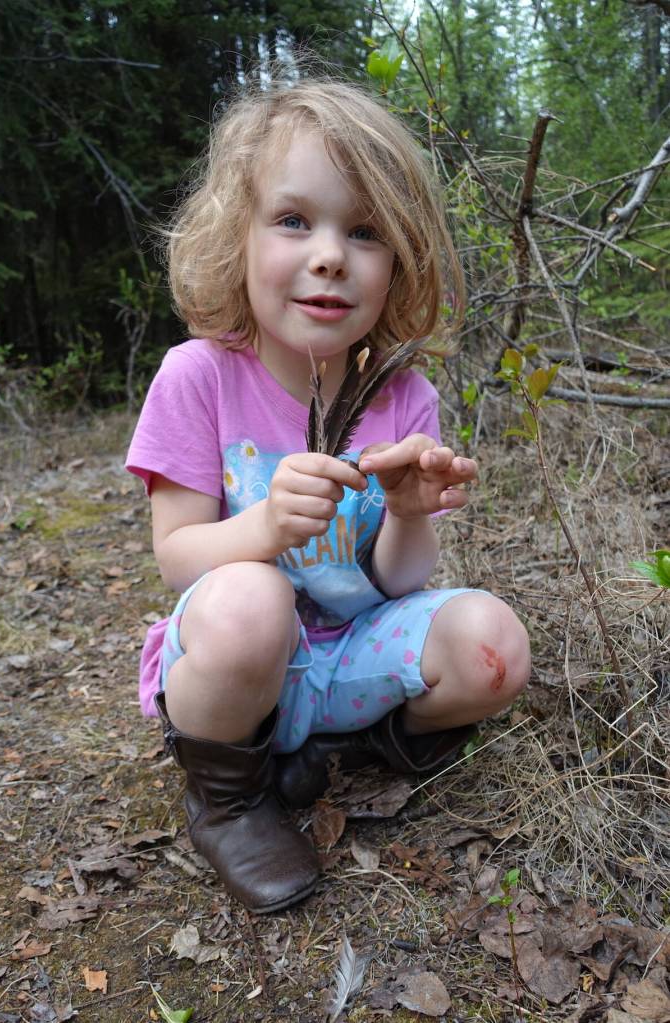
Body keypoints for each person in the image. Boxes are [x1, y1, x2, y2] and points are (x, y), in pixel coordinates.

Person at [126, 77, 531, 915]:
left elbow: (395, 584)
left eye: (365, 231)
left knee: (495, 646)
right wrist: (269, 524)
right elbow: (177, 557)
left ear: (398, 262)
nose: (329, 255)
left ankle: (350, 746)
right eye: (293, 220)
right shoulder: (198, 376)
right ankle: (231, 796)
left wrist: (412, 510)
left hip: (347, 653)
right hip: (239, 659)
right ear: (235, 234)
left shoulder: (400, 395)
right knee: (251, 601)